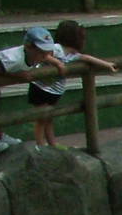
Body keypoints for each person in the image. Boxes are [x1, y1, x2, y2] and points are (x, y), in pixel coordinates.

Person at [0, 26, 66, 154]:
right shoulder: (15, 58)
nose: (45, 56)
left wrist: (57, 63)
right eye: (41, 52)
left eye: (47, 52)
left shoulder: (35, 56)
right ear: (28, 46)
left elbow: (45, 57)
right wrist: (18, 76)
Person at [31, 19, 116, 147]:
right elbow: (44, 55)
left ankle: (52, 143)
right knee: (42, 118)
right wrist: (58, 63)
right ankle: (40, 144)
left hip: (54, 90)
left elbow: (87, 58)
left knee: (49, 118)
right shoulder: (56, 49)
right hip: (41, 88)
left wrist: (107, 65)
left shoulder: (72, 55)